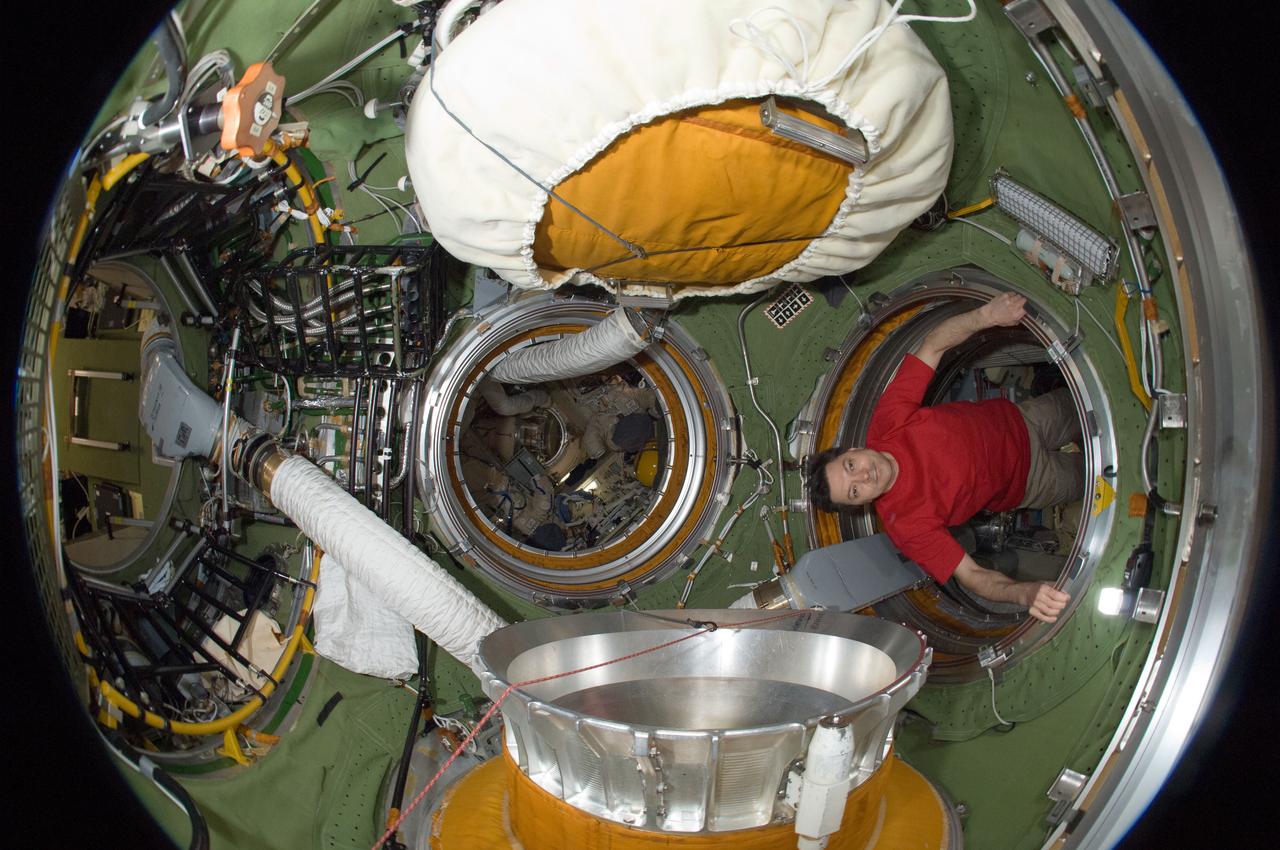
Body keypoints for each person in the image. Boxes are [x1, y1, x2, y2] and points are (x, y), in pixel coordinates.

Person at [806, 292, 1080, 623]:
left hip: (1024, 419)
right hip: (1032, 480)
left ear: (853, 450)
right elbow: (972, 576)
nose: (864, 477)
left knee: (1088, 408)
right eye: (854, 491)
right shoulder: (908, 527)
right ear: (860, 504)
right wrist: (1026, 593)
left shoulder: (887, 422)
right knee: (1096, 475)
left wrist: (987, 315)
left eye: (851, 466)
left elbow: (932, 345)